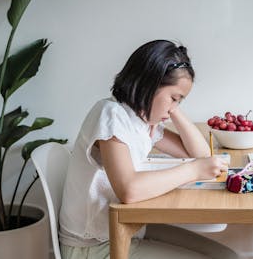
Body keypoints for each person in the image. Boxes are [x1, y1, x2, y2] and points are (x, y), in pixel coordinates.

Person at [59, 40, 238, 259]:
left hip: (126, 228)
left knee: (228, 256)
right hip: (93, 246)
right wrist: (194, 171)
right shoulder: (111, 115)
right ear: (149, 84)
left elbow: (201, 155)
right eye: (173, 98)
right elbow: (129, 190)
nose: (175, 106)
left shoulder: (142, 122)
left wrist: (172, 108)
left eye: (180, 101)